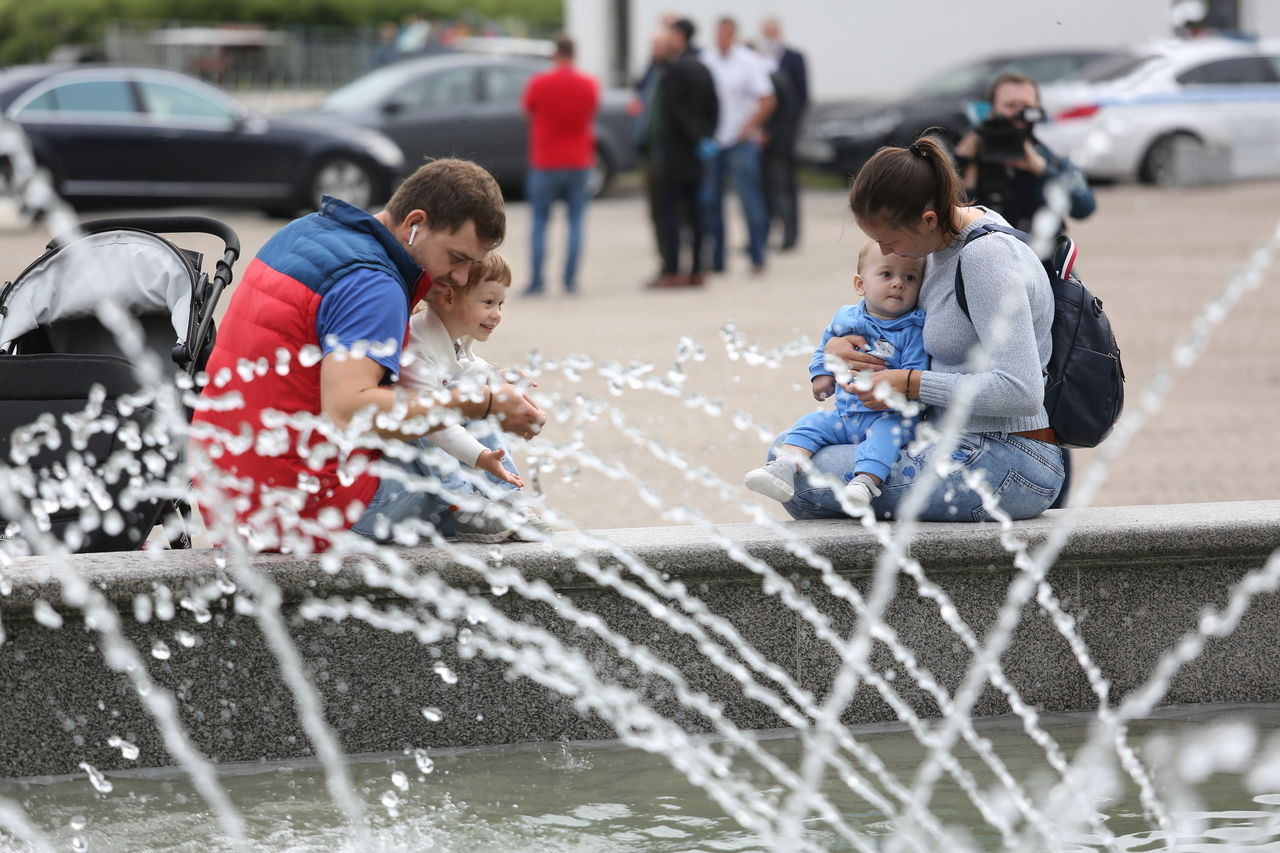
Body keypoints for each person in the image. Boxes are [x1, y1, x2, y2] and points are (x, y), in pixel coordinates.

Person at [190, 158, 545, 553]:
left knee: (445, 394)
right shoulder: (373, 284)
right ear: (415, 224)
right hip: (305, 513)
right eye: (458, 258)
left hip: (232, 497)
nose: (461, 278)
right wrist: (484, 402)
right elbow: (348, 409)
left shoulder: (302, 233)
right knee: (458, 410)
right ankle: (505, 511)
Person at [771, 135, 1065, 523]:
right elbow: (907, 331)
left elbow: (1022, 391)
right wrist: (842, 349)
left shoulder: (986, 257)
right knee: (786, 456)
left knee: (799, 480)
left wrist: (910, 383)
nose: (886, 253)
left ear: (927, 218)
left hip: (1008, 461)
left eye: (889, 240)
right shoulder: (939, 243)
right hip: (953, 444)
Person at [745, 240, 927, 510]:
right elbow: (824, 348)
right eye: (887, 274)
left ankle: (865, 482)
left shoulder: (912, 330)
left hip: (889, 417)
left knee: (884, 438)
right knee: (810, 423)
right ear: (860, 285)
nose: (898, 283)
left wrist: (896, 394)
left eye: (909, 278)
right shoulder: (846, 318)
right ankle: (783, 467)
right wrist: (821, 374)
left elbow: (916, 375)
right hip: (845, 415)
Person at [398, 250, 549, 539]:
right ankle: (464, 507)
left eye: (501, 303)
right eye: (488, 302)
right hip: (408, 437)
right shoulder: (416, 345)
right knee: (428, 418)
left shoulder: (454, 333)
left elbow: (467, 367)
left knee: (482, 395)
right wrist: (481, 456)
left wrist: (498, 377)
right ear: (449, 298)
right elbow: (434, 423)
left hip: (428, 425)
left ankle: (507, 497)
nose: (497, 314)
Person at [952, 72, 1096, 234]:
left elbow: (1084, 208)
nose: (1019, 114)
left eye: (1026, 107)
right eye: (1011, 106)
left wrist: (1041, 169)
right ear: (992, 110)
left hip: (1037, 254)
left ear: (1037, 111)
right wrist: (963, 163)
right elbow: (946, 218)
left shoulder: (1048, 158)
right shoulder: (972, 154)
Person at [521, 34, 601, 296]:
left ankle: (536, 281)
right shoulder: (589, 84)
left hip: (546, 161)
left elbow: (528, 112)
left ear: (554, 54)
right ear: (575, 54)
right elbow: (591, 112)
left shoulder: (539, 83)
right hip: (579, 160)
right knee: (576, 220)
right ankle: (570, 280)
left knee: (540, 222)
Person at [645, 17, 719, 289]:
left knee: (671, 216)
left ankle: (673, 271)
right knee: (697, 215)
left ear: (680, 37)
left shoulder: (675, 70)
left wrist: (696, 136)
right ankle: (697, 270)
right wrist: (707, 136)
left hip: (675, 156)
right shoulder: (703, 67)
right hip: (697, 158)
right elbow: (715, 106)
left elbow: (675, 112)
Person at [700, 16, 775, 275]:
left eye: (725, 34)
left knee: (749, 199)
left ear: (733, 35)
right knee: (711, 201)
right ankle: (718, 258)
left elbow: (767, 99)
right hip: (716, 141)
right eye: (717, 34)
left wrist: (748, 128)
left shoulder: (747, 61)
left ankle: (757, 255)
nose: (720, 39)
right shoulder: (707, 61)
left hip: (741, 141)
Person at [758, 17, 808, 250]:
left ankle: (790, 234)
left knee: (784, 186)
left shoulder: (793, 58)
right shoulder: (759, 60)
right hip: (762, 136)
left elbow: (801, 99)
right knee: (765, 187)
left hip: (783, 135)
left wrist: (787, 131)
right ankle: (767, 232)